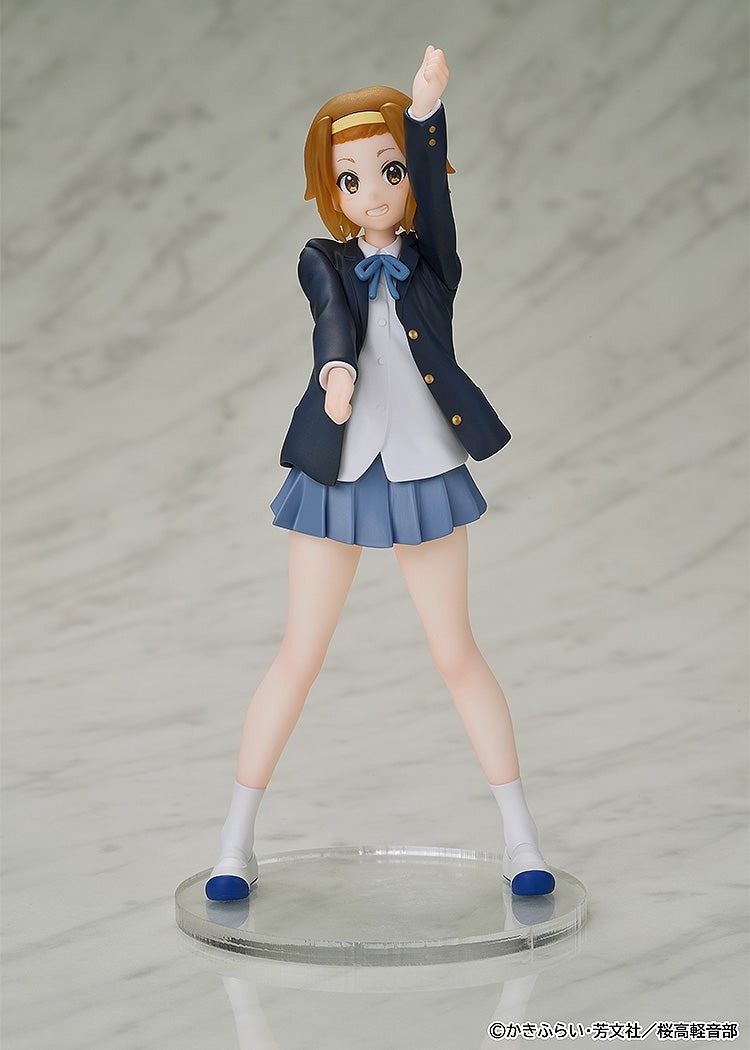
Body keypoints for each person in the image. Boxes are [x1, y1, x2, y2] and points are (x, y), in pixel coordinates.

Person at [204, 45, 555, 901]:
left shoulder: (435, 264)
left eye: (388, 169)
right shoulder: (322, 258)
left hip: (423, 471)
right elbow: (330, 316)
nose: (372, 190)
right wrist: (335, 372)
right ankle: (233, 841)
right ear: (331, 190)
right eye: (351, 178)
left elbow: (435, 194)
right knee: (298, 655)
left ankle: (520, 836)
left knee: (456, 651)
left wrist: (426, 112)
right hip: (338, 472)